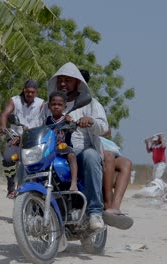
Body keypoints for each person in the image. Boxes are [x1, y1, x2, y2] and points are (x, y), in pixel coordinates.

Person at [47, 62, 108, 230]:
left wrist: (91, 121)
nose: (63, 84)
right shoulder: (50, 105)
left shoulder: (90, 103)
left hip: (79, 153)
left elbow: (103, 126)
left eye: (68, 80)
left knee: (91, 155)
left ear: (77, 83)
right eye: (60, 80)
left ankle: (95, 212)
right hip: (51, 152)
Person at [79, 69, 133, 230]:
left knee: (126, 163)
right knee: (107, 156)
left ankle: (114, 207)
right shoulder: (63, 102)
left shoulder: (92, 103)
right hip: (92, 148)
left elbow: (106, 129)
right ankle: (107, 203)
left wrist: (92, 123)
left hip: (102, 143)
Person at [0, 80, 44, 199]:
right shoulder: (15, 101)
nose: (30, 94)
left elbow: (46, 118)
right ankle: (10, 187)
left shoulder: (41, 104)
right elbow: (5, 114)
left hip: (32, 140)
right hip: (15, 138)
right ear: (24, 90)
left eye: (32, 92)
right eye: (27, 91)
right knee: (8, 159)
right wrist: (3, 127)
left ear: (36, 92)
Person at [45, 91, 78, 191]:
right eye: (53, 104)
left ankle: (74, 182)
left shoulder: (66, 119)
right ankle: (34, 181)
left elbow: (73, 127)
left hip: (64, 147)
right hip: (50, 149)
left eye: (59, 104)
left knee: (71, 156)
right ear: (49, 106)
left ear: (65, 107)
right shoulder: (46, 121)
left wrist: (71, 123)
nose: (56, 107)